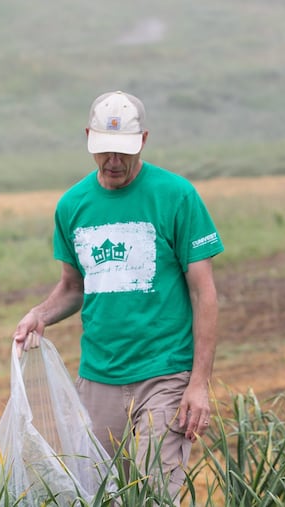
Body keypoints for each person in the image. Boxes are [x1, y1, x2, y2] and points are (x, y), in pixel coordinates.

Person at [13, 91, 224, 502]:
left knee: (156, 492)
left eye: (122, 151)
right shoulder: (72, 205)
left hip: (165, 374)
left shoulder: (176, 195)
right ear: (88, 138)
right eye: (104, 150)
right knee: (102, 493)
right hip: (98, 378)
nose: (113, 161)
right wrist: (40, 313)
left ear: (143, 140)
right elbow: (74, 288)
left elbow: (205, 294)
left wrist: (198, 384)